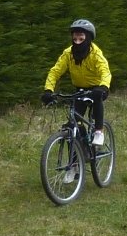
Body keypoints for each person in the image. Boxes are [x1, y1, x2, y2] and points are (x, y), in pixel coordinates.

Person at [41, 19, 112, 147]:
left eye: (81, 38)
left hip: (98, 88)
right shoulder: (68, 54)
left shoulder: (96, 54)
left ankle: (99, 131)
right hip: (79, 89)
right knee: (72, 126)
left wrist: (103, 87)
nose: (77, 41)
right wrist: (48, 90)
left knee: (97, 101)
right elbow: (55, 72)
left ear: (89, 38)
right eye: (75, 39)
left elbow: (105, 71)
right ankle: (75, 163)